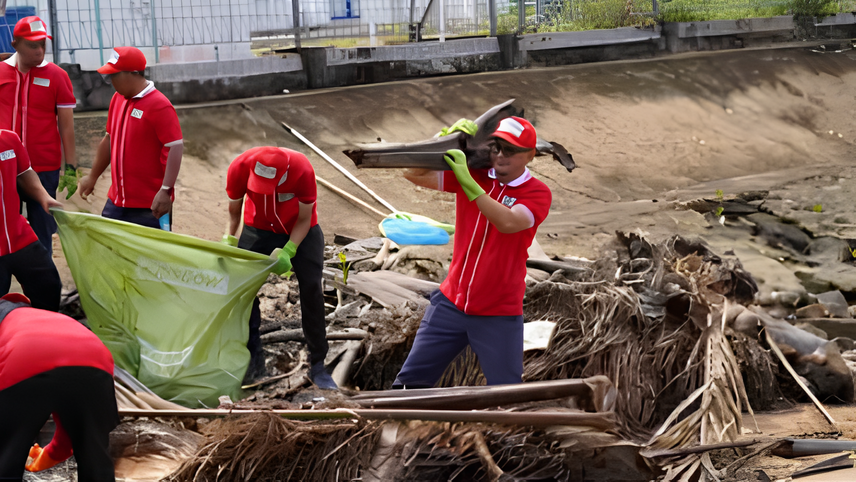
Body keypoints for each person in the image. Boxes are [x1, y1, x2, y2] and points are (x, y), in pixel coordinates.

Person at [393, 116, 552, 388]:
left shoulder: (536, 193)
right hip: (450, 303)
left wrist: (468, 182)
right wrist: (440, 144)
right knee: (408, 385)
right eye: (496, 147)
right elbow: (411, 173)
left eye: (510, 150)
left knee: (506, 392)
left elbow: (508, 222)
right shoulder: (477, 174)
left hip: (498, 312)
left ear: (530, 155)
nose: (500, 155)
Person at [223, 146, 337, 389]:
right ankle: (253, 364)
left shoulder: (302, 169)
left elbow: (304, 218)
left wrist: (289, 250)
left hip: (300, 229)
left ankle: (318, 364)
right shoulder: (240, 166)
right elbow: (234, 211)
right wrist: (229, 240)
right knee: (243, 290)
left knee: (311, 289)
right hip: (257, 229)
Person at [0, 293, 118, 481]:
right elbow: (79, 421)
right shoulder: (46, 319)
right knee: (96, 458)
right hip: (96, 359)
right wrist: (52, 454)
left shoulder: (10, 323)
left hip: (25, 355)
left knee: (6, 456)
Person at [78, 46, 183, 230]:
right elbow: (109, 140)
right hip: (117, 202)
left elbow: (175, 146)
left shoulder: (159, 105)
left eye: (114, 75)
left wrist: (165, 191)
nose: (111, 81)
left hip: (150, 206)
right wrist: (93, 176)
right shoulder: (117, 99)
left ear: (133, 73)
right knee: (108, 244)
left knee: (149, 249)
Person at [0, 16, 78, 253]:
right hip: (5, 166)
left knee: (43, 233)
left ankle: (43, 275)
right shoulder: (1, 73)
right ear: (15, 44)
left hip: (43, 167)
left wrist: (71, 167)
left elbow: (66, 126)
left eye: (42, 44)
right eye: (32, 45)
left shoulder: (57, 76)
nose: (39, 51)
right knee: (5, 232)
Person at [0, 129, 62, 311]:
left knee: (48, 287)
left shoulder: (9, 139)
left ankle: (43, 326)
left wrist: (44, 197)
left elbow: (24, 172)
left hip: (19, 235)